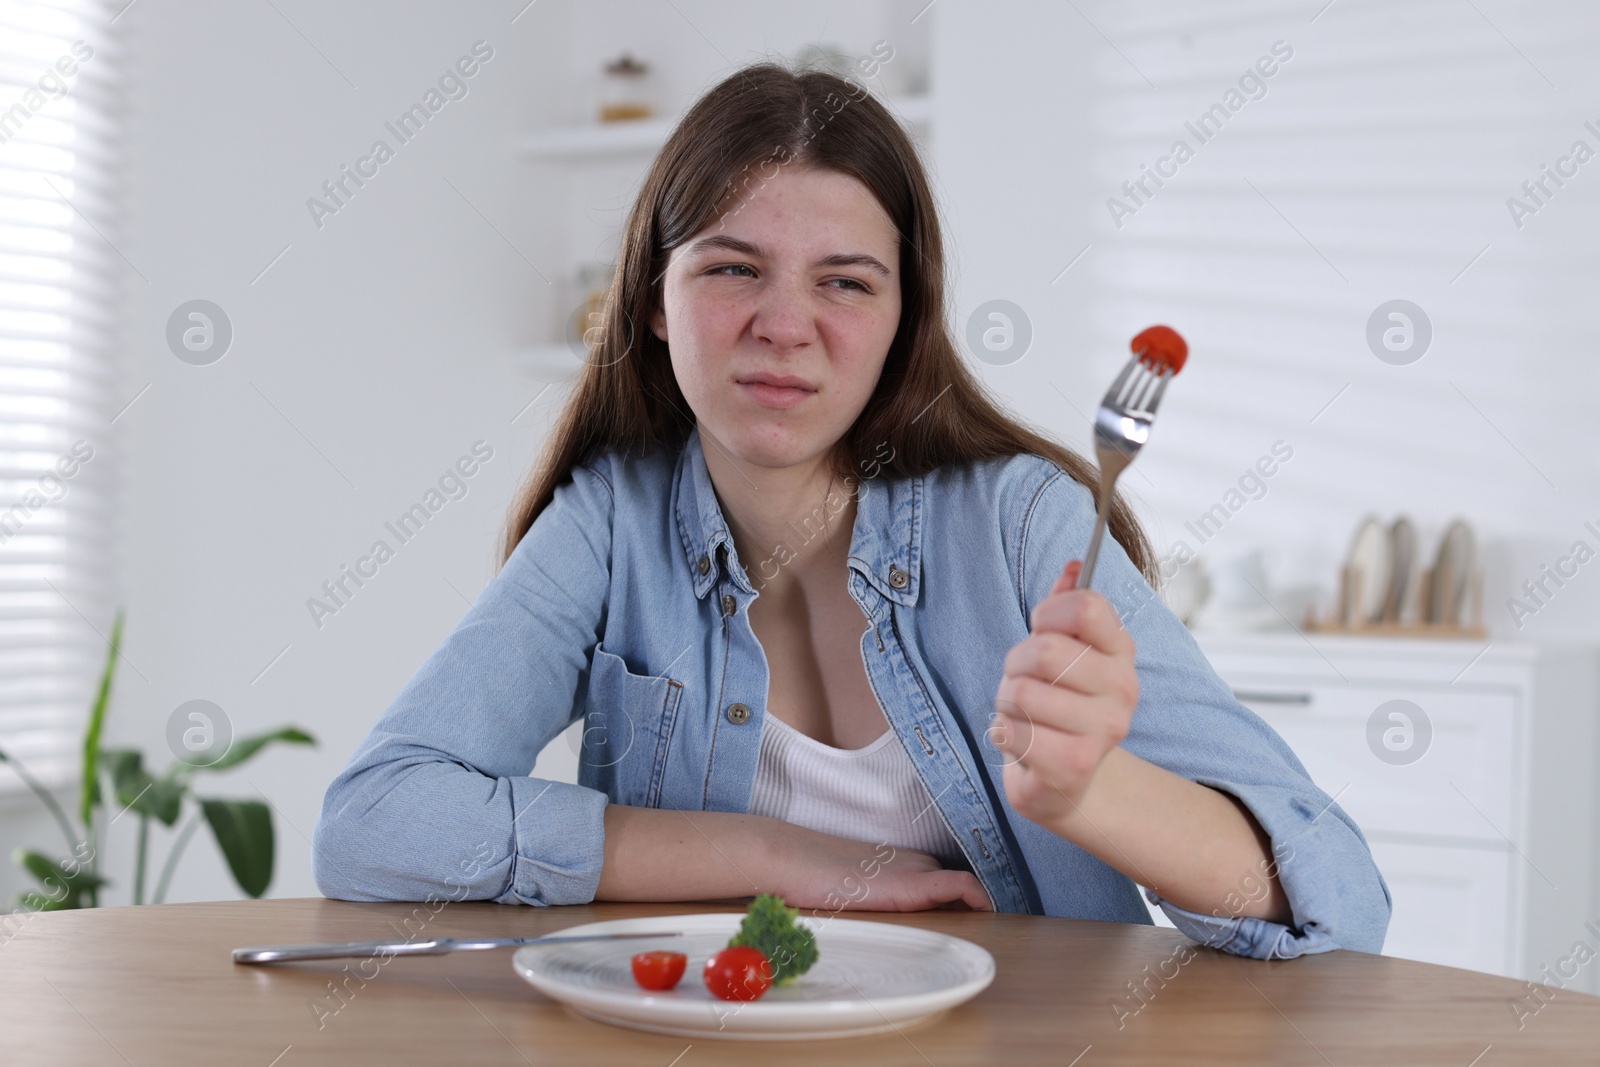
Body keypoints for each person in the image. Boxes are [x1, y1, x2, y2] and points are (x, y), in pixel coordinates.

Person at [311, 62, 1390, 960]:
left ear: (901, 319)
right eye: (734, 267)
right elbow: (373, 825)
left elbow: (1337, 897)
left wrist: (1087, 793)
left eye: (845, 282)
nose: (784, 325)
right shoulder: (606, 525)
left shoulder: (1024, 524)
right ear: (651, 297)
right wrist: (768, 856)